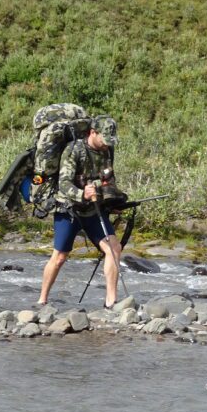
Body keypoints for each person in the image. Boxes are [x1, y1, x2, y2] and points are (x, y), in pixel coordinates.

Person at [38, 115, 125, 308]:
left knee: (114, 248)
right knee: (60, 256)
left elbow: (109, 179)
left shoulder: (107, 150)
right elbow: (64, 183)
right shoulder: (73, 150)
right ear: (93, 132)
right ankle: (42, 299)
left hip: (94, 209)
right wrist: (82, 193)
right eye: (104, 139)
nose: (106, 145)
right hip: (68, 209)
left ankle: (111, 301)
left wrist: (113, 200)